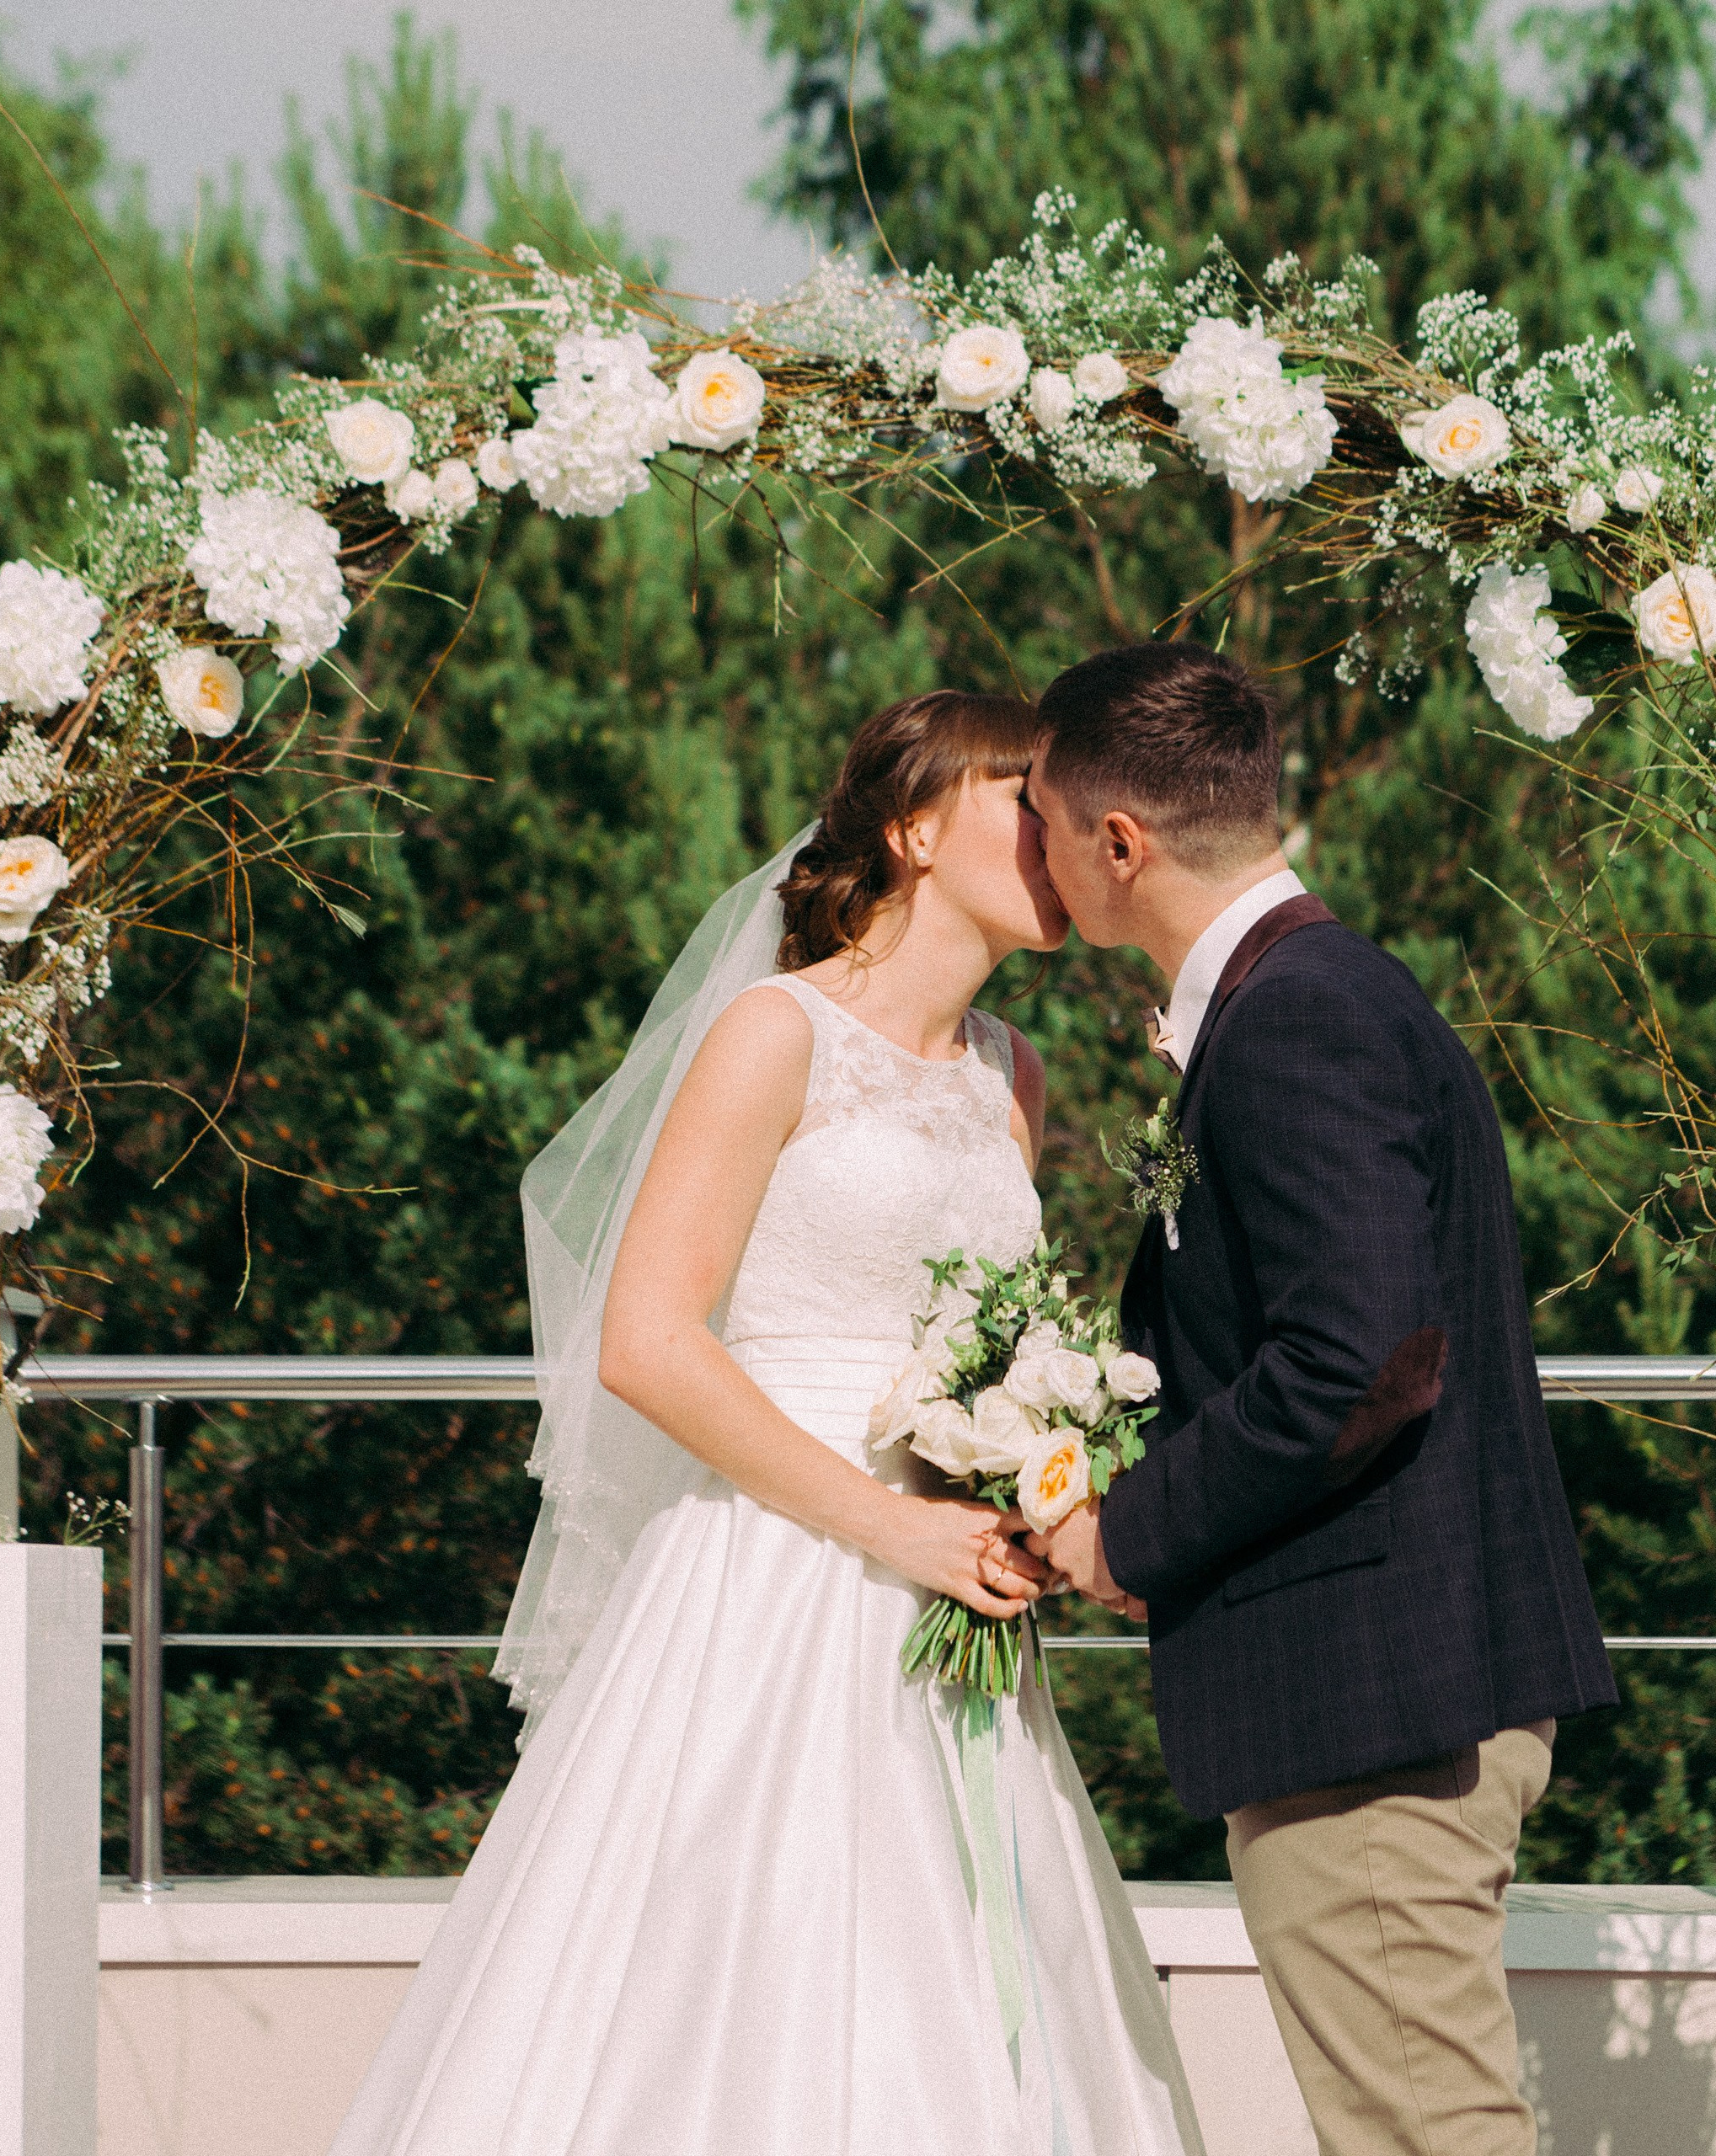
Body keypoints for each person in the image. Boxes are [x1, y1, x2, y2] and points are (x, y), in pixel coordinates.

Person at [329, 691, 1203, 2156]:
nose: (1058, 839)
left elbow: (987, 1342)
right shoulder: (772, 1032)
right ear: (916, 827)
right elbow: (649, 1343)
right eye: (1024, 799)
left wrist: (1034, 1473)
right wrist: (889, 1525)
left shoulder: (1012, 1078)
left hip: (955, 1590)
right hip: (772, 1569)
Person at [1023, 644, 1618, 2156]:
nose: (1031, 852)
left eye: (1039, 818)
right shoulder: (1316, 989)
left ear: (1117, 843)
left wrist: (1130, 1534)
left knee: (1428, 2136)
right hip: (1394, 1683)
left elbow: (1359, 1357)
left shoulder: (1294, 1018)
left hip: (1373, 1706)